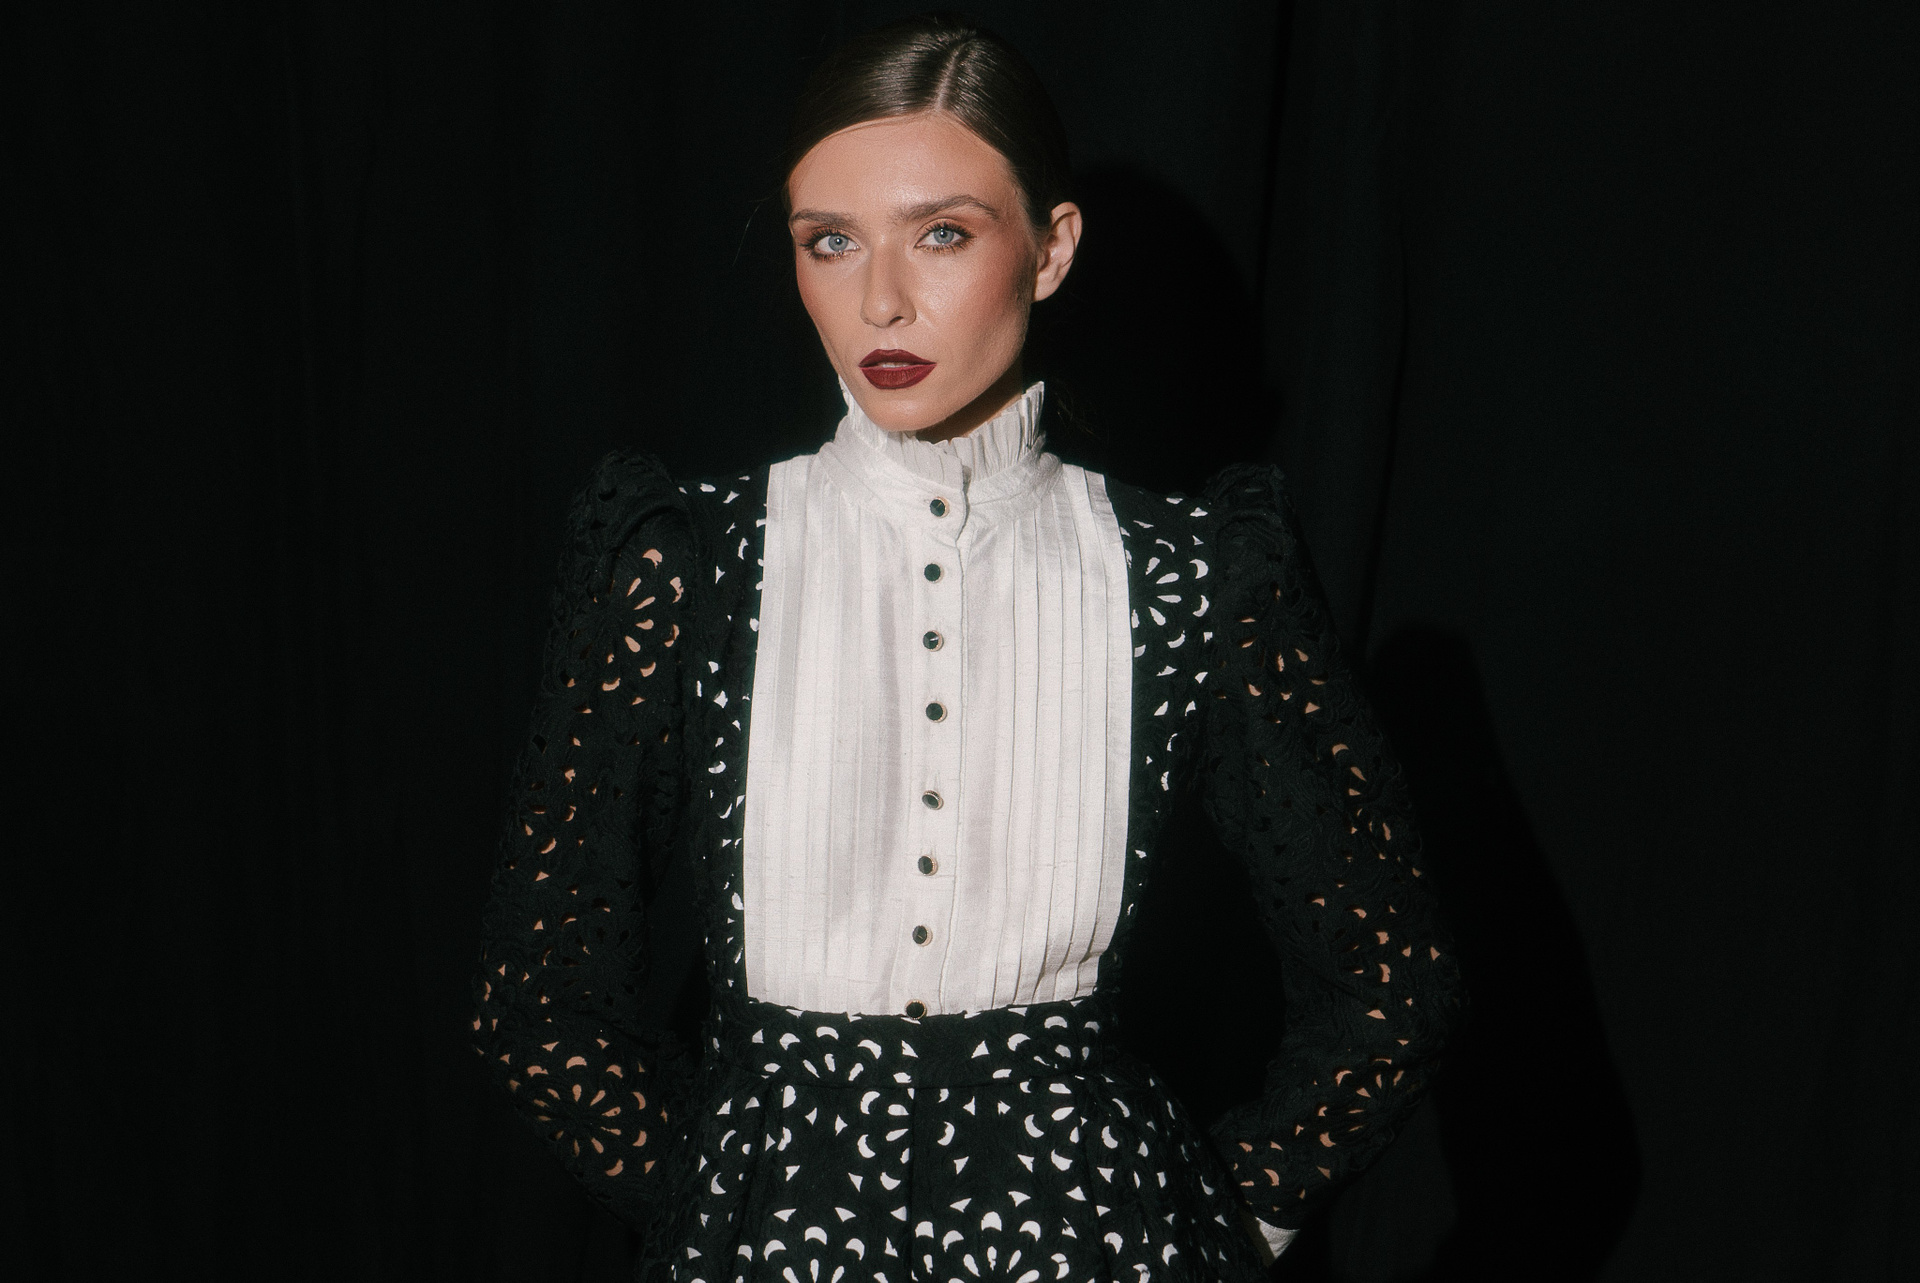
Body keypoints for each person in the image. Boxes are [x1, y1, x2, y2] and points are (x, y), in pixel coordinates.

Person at [472, 13, 1462, 1282]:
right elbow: (537, 999)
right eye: (830, 241)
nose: (880, 298)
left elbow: (1394, 987)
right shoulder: (688, 561)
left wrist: (1216, 1223)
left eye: (941, 232)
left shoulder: (1193, 572)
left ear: (1050, 248)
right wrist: (724, 1197)